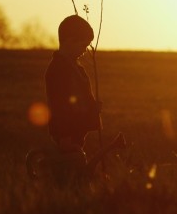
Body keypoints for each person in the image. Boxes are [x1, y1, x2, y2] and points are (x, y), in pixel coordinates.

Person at [44, 15, 125, 179]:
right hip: (67, 137)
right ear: (68, 40)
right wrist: (65, 137)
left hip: (75, 133)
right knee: (71, 176)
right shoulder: (58, 70)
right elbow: (60, 106)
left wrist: (92, 108)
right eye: (82, 44)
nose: (85, 50)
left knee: (77, 172)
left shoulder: (75, 67)